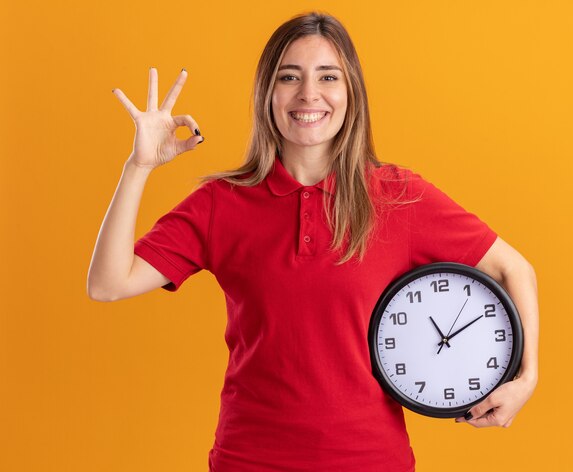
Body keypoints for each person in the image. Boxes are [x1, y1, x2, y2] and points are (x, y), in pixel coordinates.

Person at [87, 11, 538, 472]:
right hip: (249, 459)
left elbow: (514, 269)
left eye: (328, 76)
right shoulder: (222, 203)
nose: (309, 94)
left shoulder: (398, 197)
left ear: (351, 94)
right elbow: (108, 284)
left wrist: (526, 378)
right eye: (289, 76)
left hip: (371, 460)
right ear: (268, 94)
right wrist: (137, 167)